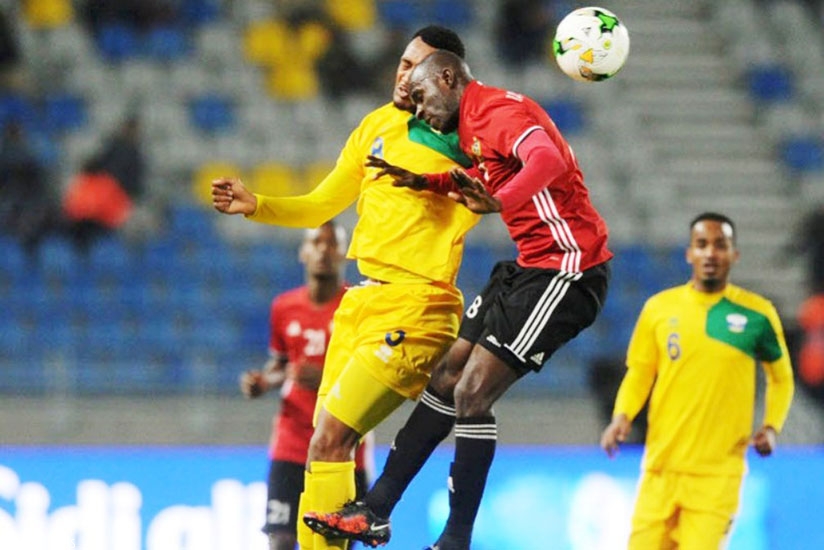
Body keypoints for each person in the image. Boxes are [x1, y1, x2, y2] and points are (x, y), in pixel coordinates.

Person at [306, 50, 612, 550]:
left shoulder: (499, 112)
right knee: (447, 375)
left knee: (472, 393)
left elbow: (547, 160)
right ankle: (375, 510)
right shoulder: (468, 129)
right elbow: (481, 178)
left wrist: (502, 202)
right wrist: (424, 181)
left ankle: (456, 539)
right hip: (527, 267)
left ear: (447, 77)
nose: (420, 109)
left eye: (423, 96)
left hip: (569, 269)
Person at [212, 26, 478, 550]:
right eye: (402, 64)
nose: (405, 76)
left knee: (333, 437)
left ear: (446, 77)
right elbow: (320, 203)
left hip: (417, 302)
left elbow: (512, 184)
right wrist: (258, 203)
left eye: (418, 67)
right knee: (325, 445)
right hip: (362, 303)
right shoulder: (375, 125)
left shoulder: (466, 132)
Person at [600, 212, 794, 549]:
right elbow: (640, 372)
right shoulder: (659, 309)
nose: (710, 253)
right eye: (702, 244)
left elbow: (782, 378)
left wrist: (772, 427)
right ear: (689, 253)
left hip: (716, 477)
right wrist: (622, 416)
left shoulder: (756, 314)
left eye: (721, 245)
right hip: (661, 471)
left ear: (734, 254)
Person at [241, 221, 374, 550]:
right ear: (303, 251)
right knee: (282, 539)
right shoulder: (284, 307)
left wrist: (328, 375)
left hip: (343, 445)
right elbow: (283, 364)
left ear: (345, 252)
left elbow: (373, 369)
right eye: (316, 243)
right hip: (292, 442)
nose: (324, 251)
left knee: (336, 542)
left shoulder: (358, 306)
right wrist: (263, 382)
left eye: (332, 244)